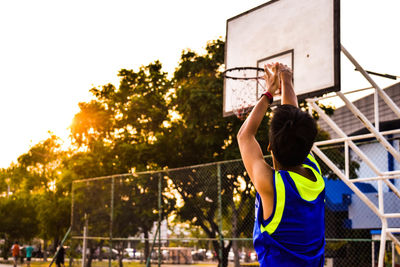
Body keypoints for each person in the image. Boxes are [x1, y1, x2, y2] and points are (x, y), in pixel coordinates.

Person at [237, 63, 324, 266]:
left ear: (269, 147)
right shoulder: (314, 174)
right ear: (307, 149)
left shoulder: (273, 186)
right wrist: (286, 80)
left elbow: (244, 136)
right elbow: (292, 119)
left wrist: (270, 91)